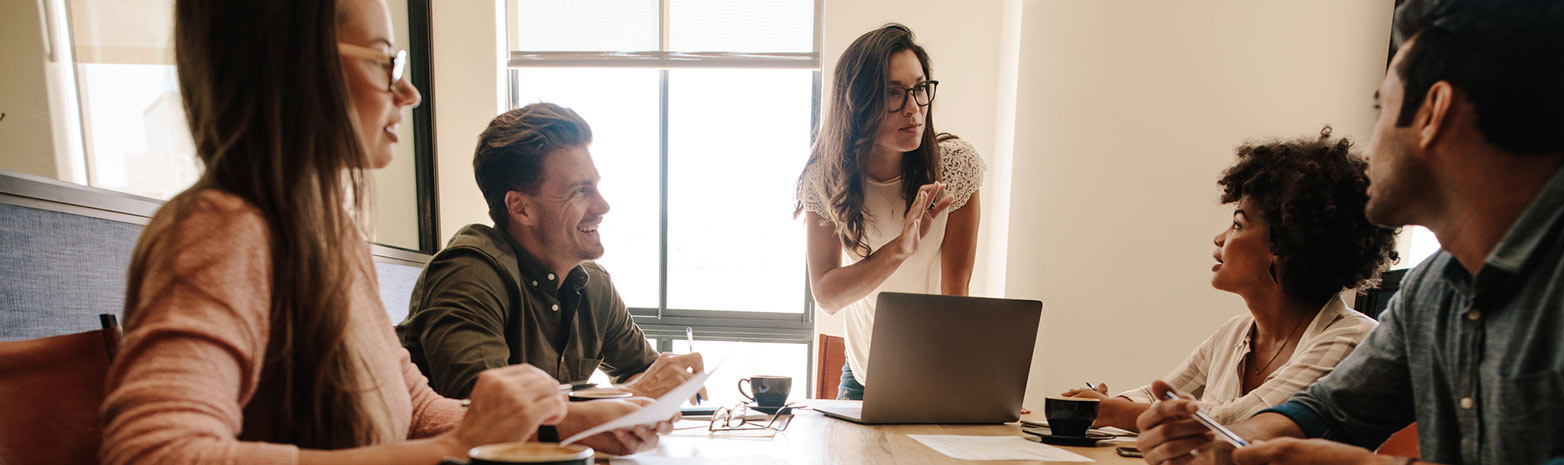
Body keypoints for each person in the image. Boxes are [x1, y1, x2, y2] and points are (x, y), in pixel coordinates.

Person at [100, 1, 670, 464]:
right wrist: (455, 448)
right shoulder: (223, 227)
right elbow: (154, 452)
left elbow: (416, 409)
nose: (409, 93)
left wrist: (571, 425)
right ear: (297, 67)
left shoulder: (331, 239)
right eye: (383, 62)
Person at [1135, 1, 1564, 464]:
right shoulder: (1434, 289)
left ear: (1434, 111)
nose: (1368, 146)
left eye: (1382, 109)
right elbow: (1331, 409)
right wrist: (1235, 440)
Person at [1061, 128, 1396, 432]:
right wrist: (1102, 403)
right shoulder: (1234, 334)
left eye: (1238, 224)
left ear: (1281, 245)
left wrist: (1115, 412)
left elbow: (1247, 422)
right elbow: (1155, 395)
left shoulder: (1351, 340)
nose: (1220, 238)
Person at [397, 103, 705, 402]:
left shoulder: (593, 284)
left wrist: (661, 382)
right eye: (579, 191)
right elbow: (489, 412)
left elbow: (641, 373)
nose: (602, 207)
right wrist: (632, 395)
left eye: (595, 186)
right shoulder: (467, 273)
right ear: (521, 208)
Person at [795, 24, 986, 401]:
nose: (913, 107)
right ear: (858, 101)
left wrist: (974, 389)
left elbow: (955, 293)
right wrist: (899, 249)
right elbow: (827, 295)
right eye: (893, 93)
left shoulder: (954, 167)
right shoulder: (826, 177)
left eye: (919, 88)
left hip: (935, 375)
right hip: (862, 377)